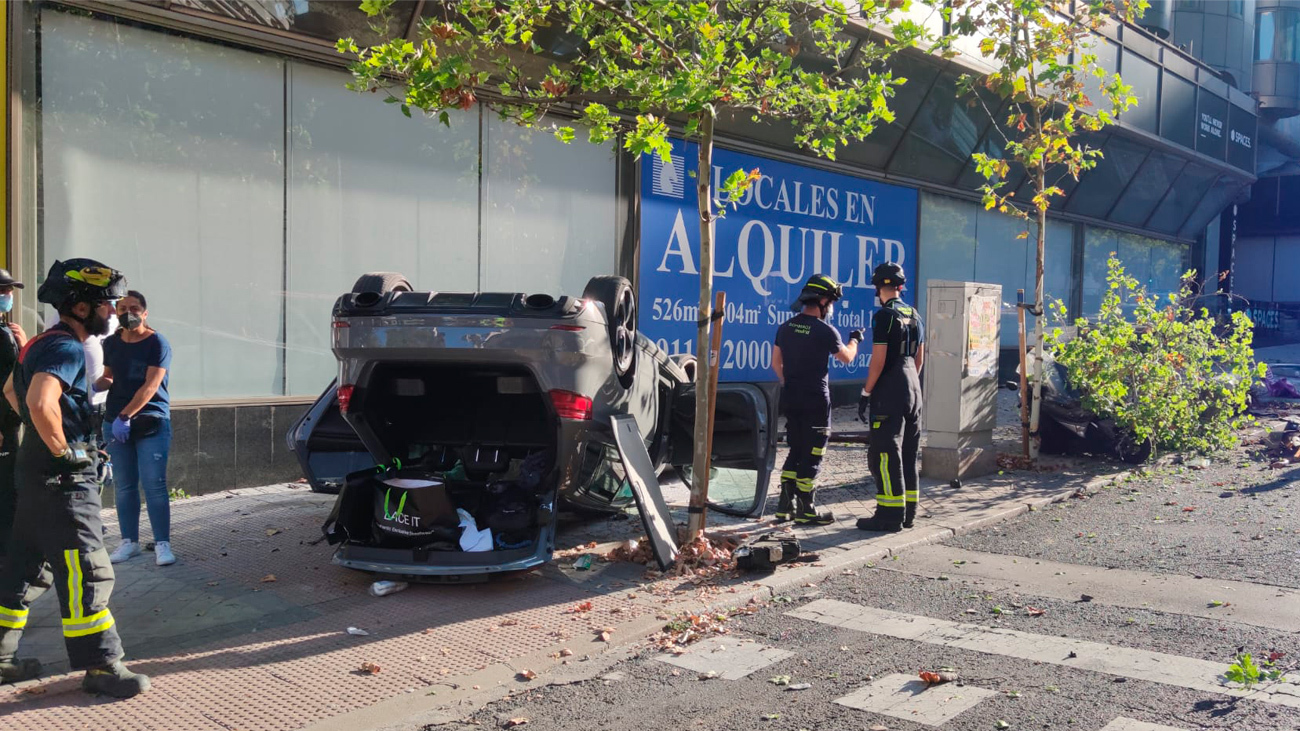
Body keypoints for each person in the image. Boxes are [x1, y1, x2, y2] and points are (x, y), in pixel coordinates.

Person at [0, 258, 150, 697]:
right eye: (106, 303)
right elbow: (39, 401)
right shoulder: (66, 348)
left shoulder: (37, 343)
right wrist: (65, 452)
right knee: (86, 569)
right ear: (81, 307)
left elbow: (11, 392)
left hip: (32, 475)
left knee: (25, 572)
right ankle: (102, 667)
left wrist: (43, 445)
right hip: (62, 481)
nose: (114, 311)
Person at [772, 274, 862, 526]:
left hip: (791, 398)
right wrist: (855, 340)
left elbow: (775, 363)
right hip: (816, 400)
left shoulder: (786, 327)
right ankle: (806, 508)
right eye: (831, 302)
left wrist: (787, 382)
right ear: (822, 301)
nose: (831, 308)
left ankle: (784, 506)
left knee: (796, 448)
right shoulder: (826, 331)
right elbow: (846, 358)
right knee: (814, 451)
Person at [98, 291, 174, 567]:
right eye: (122, 307)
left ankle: (162, 544)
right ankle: (128, 542)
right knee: (124, 486)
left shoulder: (157, 343)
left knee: (154, 485)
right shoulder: (111, 342)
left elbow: (151, 385)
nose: (128, 312)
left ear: (145, 312)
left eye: (134, 308)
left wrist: (126, 415)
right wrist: (93, 385)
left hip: (150, 421)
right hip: (116, 421)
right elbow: (109, 376)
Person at [856, 262, 925, 533]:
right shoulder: (915, 314)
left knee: (885, 451)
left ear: (879, 287)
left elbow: (880, 359)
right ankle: (909, 513)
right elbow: (920, 357)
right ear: (900, 286)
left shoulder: (884, 316)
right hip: (912, 385)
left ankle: (888, 514)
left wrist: (867, 391)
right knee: (909, 451)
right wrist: (910, 385)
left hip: (890, 387)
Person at [0, 270, 27, 565]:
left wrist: (23, 344)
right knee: (5, 491)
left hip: (10, 422)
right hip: (2, 426)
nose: (8, 296)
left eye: (9, 291)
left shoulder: (7, 329)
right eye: (4, 291)